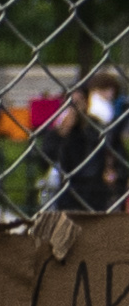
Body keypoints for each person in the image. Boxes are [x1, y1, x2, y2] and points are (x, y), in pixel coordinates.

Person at [47, 69, 129, 214]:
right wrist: (61, 134)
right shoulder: (60, 131)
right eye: (70, 104)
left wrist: (114, 172)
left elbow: (116, 155)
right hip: (70, 194)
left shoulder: (97, 128)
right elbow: (47, 156)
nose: (74, 109)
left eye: (78, 103)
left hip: (97, 193)